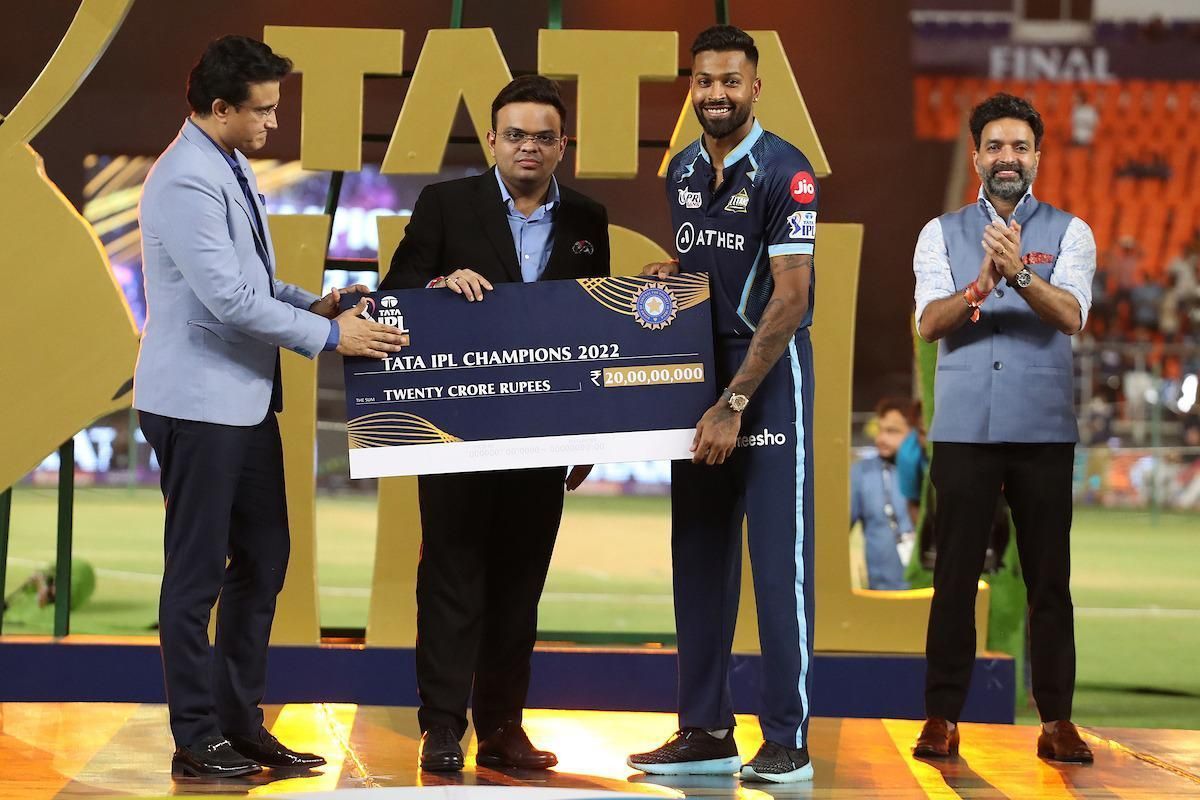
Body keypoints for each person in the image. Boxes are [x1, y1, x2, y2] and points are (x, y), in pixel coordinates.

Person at [135, 36, 406, 778]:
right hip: (197, 404)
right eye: (262, 110)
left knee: (264, 560)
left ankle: (240, 724)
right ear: (219, 108)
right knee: (194, 580)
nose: (272, 124)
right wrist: (328, 333)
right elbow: (225, 299)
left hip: (243, 401)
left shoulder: (227, 160)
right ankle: (197, 740)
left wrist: (313, 302)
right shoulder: (185, 178)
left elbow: (251, 285)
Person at [378, 75, 611, 773]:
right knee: (451, 580)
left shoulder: (587, 221)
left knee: (519, 587)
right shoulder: (445, 204)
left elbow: (593, 330)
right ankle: (442, 728)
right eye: (516, 135)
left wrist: (590, 434)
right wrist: (438, 289)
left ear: (562, 144)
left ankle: (504, 729)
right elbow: (394, 298)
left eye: (544, 136)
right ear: (492, 140)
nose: (529, 147)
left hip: (542, 438)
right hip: (456, 434)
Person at [627, 25, 819, 784]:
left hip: (763, 384)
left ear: (755, 87)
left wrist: (735, 399)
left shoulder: (785, 171)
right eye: (704, 81)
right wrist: (672, 272)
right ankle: (705, 730)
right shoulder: (678, 170)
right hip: (696, 377)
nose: (716, 94)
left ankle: (789, 740)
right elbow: (712, 268)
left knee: (778, 572)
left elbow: (792, 296)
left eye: (730, 82)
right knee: (698, 562)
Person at [910, 93, 1096, 763]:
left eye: (1020, 147)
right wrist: (977, 286)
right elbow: (929, 323)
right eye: (995, 146)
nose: (1007, 158)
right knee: (953, 577)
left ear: (1038, 157)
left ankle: (1057, 721)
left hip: (1044, 431)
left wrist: (1017, 271)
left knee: (1049, 578)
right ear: (977, 155)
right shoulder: (939, 233)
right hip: (963, 431)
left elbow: (1072, 315)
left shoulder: (1073, 233)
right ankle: (941, 716)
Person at [850, 399, 917, 590]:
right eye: (880, 430)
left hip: (926, 591)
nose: (881, 439)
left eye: (892, 431)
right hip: (880, 592)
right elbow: (839, 532)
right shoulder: (862, 473)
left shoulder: (929, 472)